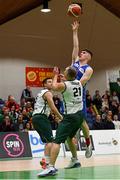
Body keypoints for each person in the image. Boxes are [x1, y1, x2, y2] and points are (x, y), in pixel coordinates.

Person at [37, 66, 87, 177]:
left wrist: (55, 75)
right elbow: (68, 83)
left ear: (68, 75)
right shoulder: (79, 83)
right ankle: (75, 160)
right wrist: (65, 78)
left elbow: (54, 87)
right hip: (79, 116)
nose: (63, 72)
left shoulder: (64, 85)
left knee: (56, 142)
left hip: (69, 117)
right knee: (69, 137)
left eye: (65, 71)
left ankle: (51, 167)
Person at [64, 20, 93, 166]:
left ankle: (88, 144)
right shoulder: (75, 61)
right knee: (70, 129)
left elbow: (82, 82)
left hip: (78, 97)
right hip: (68, 98)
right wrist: (75, 31)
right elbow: (75, 45)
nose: (81, 52)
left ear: (88, 57)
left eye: (84, 52)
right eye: (81, 52)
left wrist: (69, 85)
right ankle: (74, 158)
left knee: (82, 123)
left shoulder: (88, 69)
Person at [32, 78, 63, 169]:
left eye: (51, 81)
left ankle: (45, 161)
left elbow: (47, 109)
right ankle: (46, 162)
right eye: (49, 82)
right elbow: (53, 108)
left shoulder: (41, 93)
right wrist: (61, 117)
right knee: (50, 141)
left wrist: (55, 117)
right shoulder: (48, 93)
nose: (51, 83)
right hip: (41, 117)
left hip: (36, 118)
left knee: (48, 141)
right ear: (44, 85)